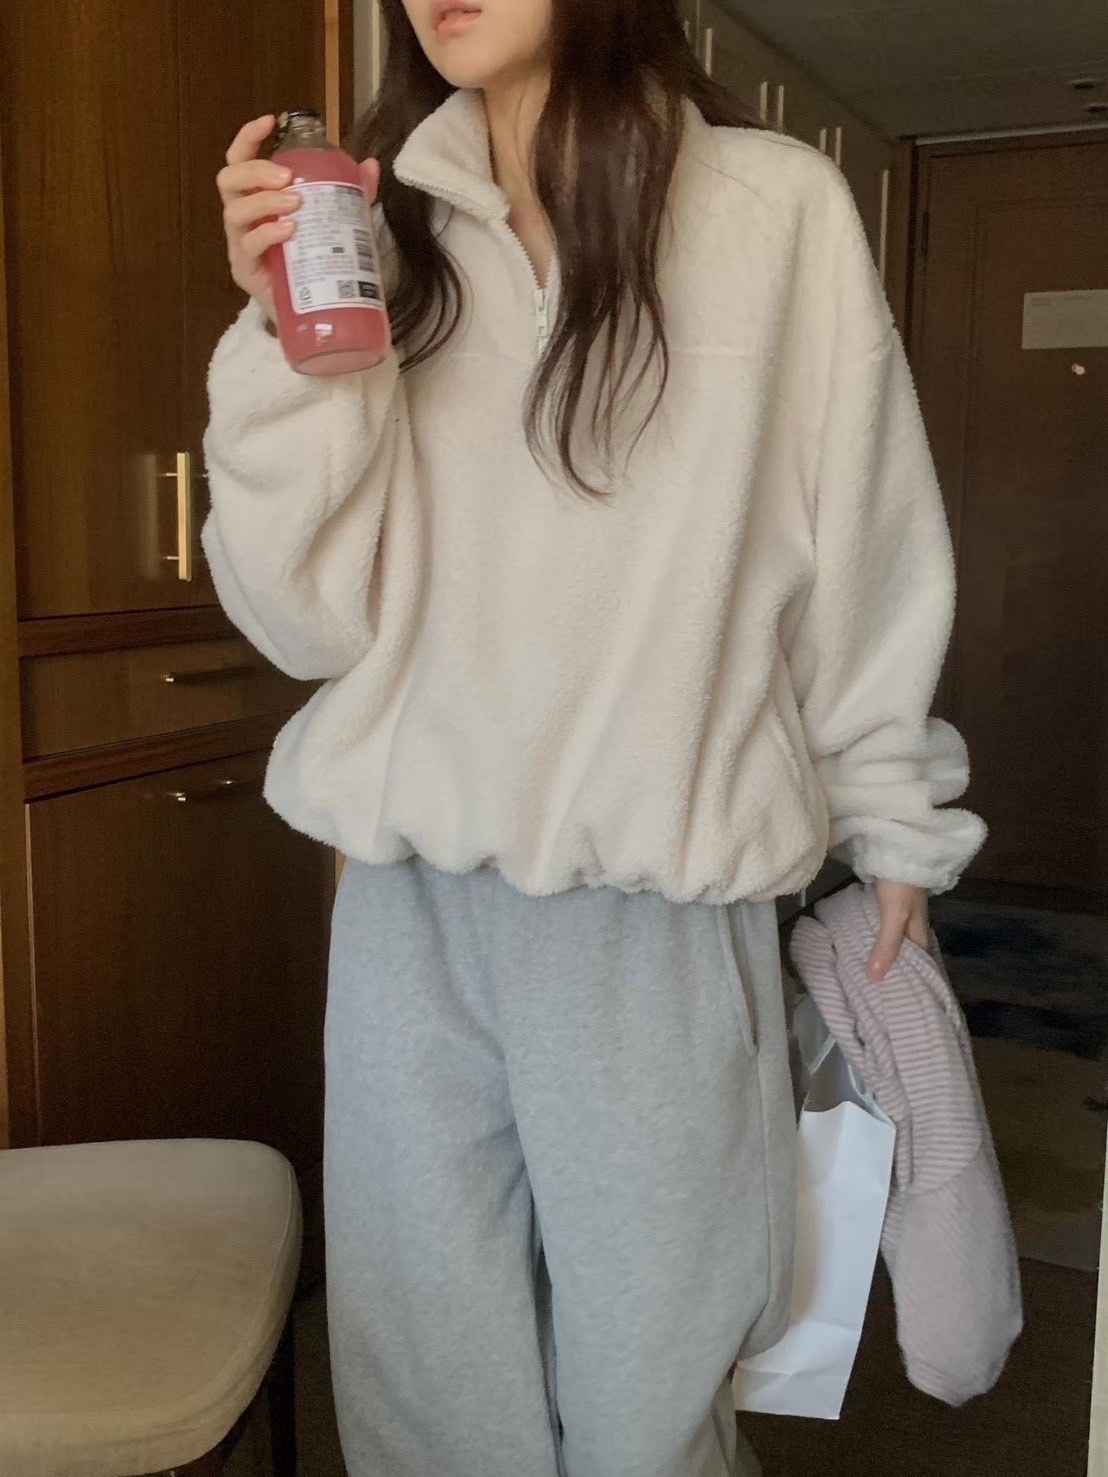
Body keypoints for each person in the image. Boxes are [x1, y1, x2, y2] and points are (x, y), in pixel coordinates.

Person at [205, 2, 986, 1473]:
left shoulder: (773, 211)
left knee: (651, 1396)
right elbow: (305, 624)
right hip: (408, 911)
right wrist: (283, 342)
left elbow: (869, 545)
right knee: (426, 1394)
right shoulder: (381, 234)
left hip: (654, 914)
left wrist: (893, 815)